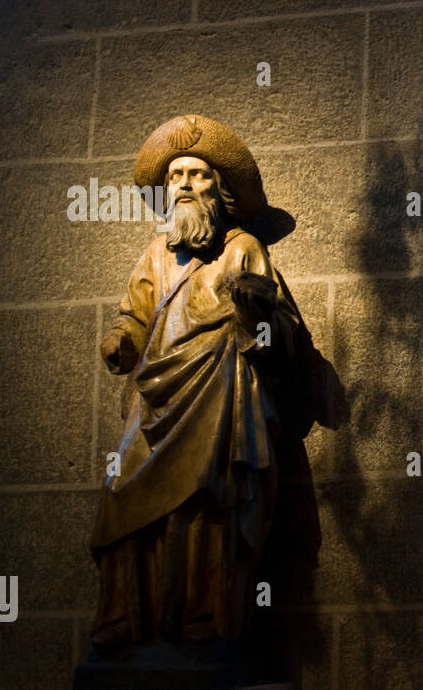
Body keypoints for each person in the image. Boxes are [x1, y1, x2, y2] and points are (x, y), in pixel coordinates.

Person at [88, 114, 330, 653]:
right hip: (157, 395)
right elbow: (134, 312)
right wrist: (122, 339)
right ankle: (127, 616)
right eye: (175, 177)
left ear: (219, 188)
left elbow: (282, 332)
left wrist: (256, 317)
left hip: (222, 389)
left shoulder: (243, 247)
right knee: (121, 491)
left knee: (208, 502)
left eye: (197, 174)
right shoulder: (155, 254)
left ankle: (207, 615)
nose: (184, 186)